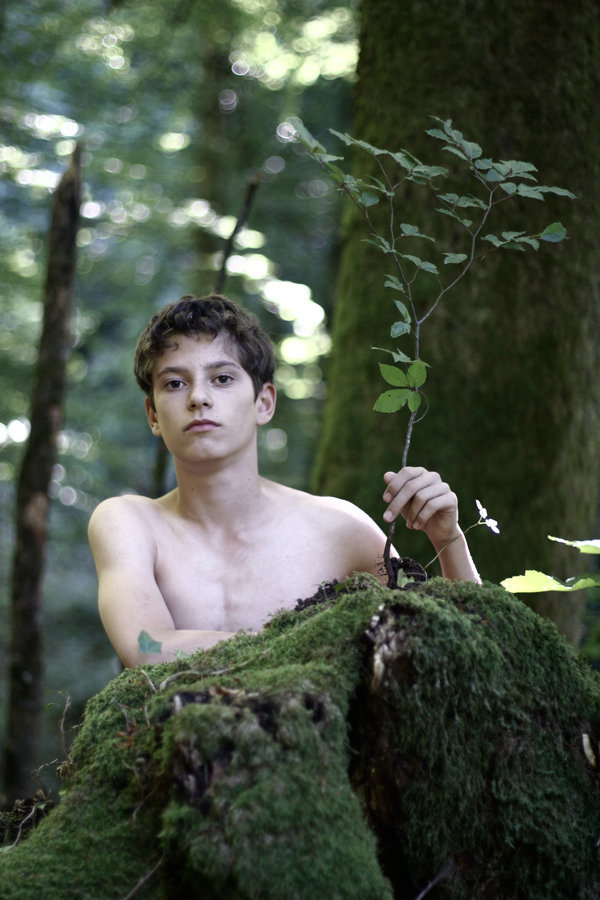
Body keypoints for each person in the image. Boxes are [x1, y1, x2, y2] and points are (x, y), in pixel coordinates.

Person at [88, 294, 480, 668]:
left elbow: (459, 651)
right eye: (175, 383)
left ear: (264, 403)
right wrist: (323, 641)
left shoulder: (337, 527)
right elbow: (147, 647)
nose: (198, 398)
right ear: (153, 415)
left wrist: (449, 541)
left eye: (222, 378)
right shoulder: (131, 523)